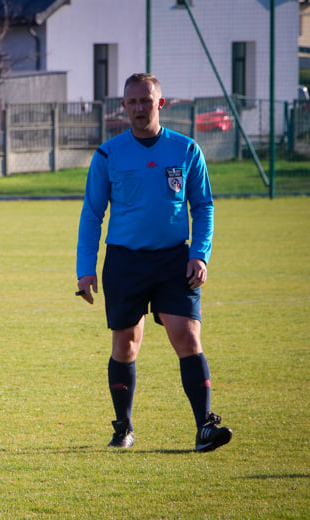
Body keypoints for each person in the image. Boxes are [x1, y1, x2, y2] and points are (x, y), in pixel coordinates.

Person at [76, 73, 232, 452]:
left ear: (160, 103)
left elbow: (203, 207)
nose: (140, 107)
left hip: (174, 260)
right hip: (125, 262)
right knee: (126, 345)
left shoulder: (186, 149)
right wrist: (85, 268)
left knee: (187, 335)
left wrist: (200, 254)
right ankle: (123, 427)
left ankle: (205, 428)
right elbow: (92, 214)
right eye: (132, 102)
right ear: (124, 107)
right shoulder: (109, 154)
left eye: (147, 100)